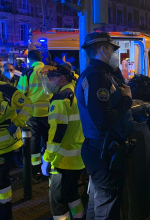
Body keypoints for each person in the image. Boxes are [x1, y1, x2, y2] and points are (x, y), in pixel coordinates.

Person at [76, 32, 134, 220]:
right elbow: (103, 122)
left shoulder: (99, 74)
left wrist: (117, 73)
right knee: (107, 206)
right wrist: (127, 101)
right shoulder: (97, 77)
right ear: (103, 50)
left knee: (98, 201)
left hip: (99, 149)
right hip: (104, 151)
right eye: (112, 49)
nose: (115, 54)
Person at [40, 65, 85, 219]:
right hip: (78, 158)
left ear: (62, 78)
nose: (48, 81)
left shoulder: (60, 99)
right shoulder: (77, 92)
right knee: (71, 193)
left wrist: (47, 159)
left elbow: (56, 134)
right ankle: (79, 217)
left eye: (51, 77)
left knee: (57, 200)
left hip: (61, 160)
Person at [0, 73, 33, 219]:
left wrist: (17, 123)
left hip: (4, 145)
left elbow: (28, 105)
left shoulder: (7, 90)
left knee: (2, 181)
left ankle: (5, 212)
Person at [17, 50, 52, 183]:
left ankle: (36, 171)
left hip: (34, 114)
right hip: (51, 112)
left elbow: (20, 93)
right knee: (49, 142)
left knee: (34, 143)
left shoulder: (28, 72)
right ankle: (49, 168)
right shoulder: (49, 70)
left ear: (30, 59)